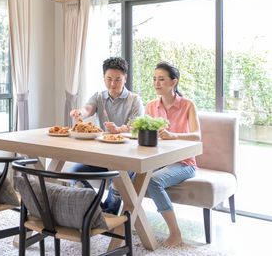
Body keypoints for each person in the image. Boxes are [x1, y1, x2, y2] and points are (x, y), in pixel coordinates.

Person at [69, 57, 143, 214]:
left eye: (118, 79)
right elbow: (88, 109)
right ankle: (95, 207)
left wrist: (119, 129)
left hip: (127, 158)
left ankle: (107, 214)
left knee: (118, 181)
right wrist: (79, 112)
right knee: (73, 172)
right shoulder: (99, 97)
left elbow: (136, 127)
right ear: (104, 78)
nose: (113, 84)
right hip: (102, 155)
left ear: (125, 78)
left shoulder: (134, 100)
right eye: (109, 79)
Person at [145, 61, 201, 247]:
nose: (156, 83)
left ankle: (175, 234)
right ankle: (127, 227)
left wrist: (172, 135)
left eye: (161, 79)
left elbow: (197, 136)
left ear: (173, 82)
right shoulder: (151, 106)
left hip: (184, 163)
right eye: (154, 79)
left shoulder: (188, 105)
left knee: (154, 181)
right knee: (123, 176)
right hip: (157, 160)